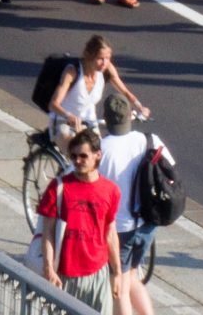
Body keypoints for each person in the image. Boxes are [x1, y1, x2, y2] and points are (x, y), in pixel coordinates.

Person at [35, 128, 126, 314]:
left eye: (83, 156)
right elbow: (48, 233)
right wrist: (48, 268)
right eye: (73, 156)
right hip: (64, 275)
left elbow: (110, 233)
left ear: (97, 155)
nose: (77, 161)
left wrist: (117, 272)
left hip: (97, 275)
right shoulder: (58, 187)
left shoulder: (111, 191)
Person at [97, 94, 170, 315]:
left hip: (118, 229)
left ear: (105, 119)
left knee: (119, 284)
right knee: (130, 275)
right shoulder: (149, 140)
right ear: (130, 116)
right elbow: (171, 172)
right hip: (147, 223)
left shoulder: (100, 149)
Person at [46, 34, 150, 144]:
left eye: (108, 58)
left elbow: (125, 92)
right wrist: (69, 116)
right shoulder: (73, 72)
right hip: (63, 122)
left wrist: (140, 107)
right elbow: (53, 104)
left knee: (99, 153)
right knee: (77, 155)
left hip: (89, 120)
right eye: (100, 58)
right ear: (89, 56)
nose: (105, 63)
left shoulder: (107, 69)